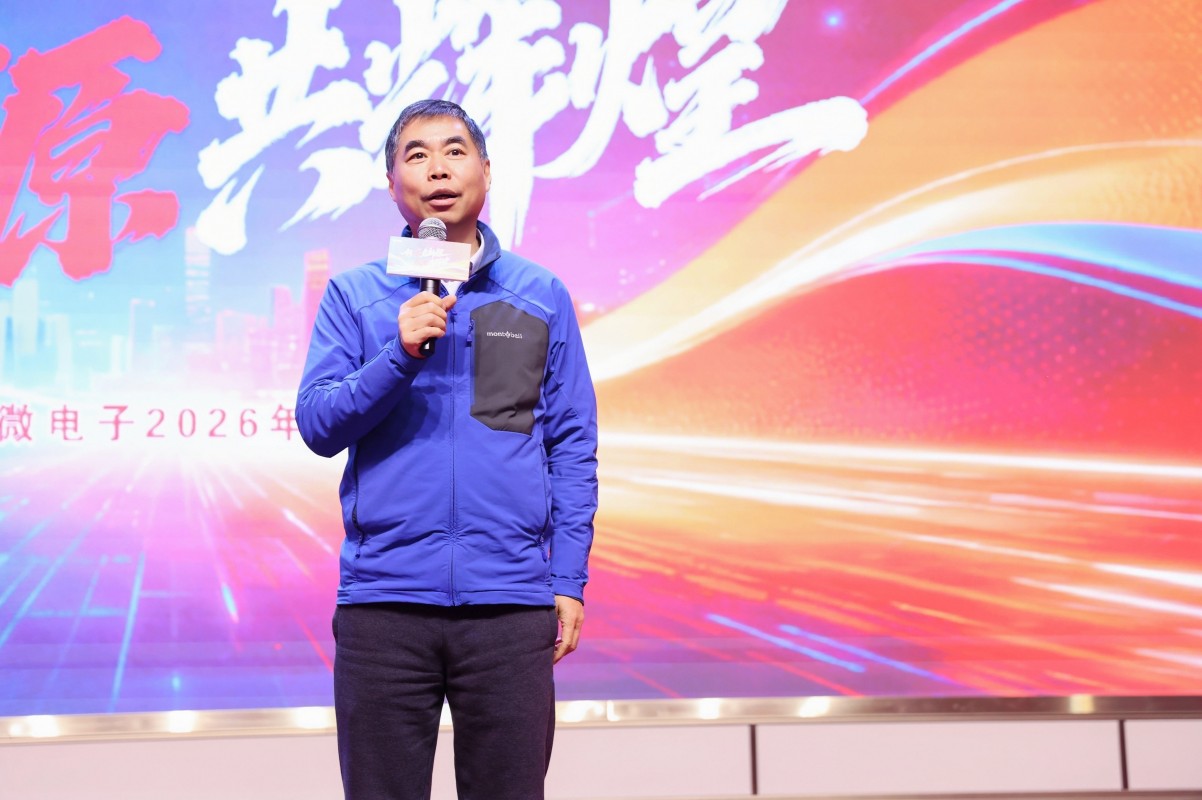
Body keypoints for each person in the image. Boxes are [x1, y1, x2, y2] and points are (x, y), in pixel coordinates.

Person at [295, 99, 598, 800]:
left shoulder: (540, 295)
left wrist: (567, 577)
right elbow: (318, 424)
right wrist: (397, 355)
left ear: (486, 172)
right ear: (392, 183)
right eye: (417, 155)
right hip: (385, 606)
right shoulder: (356, 296)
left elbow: (571, 443)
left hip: (509, 604)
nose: (438, 169)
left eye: (455, 151)